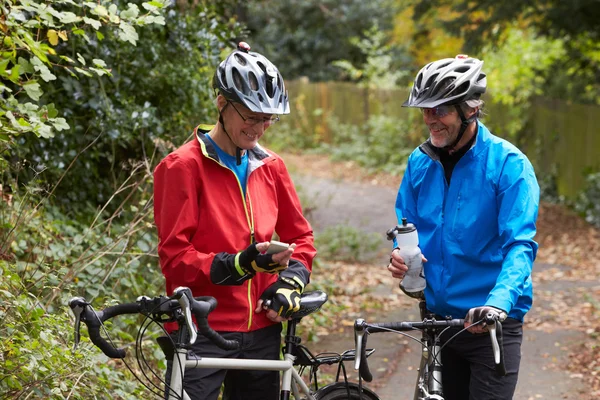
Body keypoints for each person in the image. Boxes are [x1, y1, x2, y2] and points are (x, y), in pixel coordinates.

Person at [153, 42, 316, 400]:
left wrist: (291, 280)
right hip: (201, 332)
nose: (259, 128)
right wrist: (240, 263)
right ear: (222, 103)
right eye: (251, 116)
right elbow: (175, 259)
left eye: (267, 118)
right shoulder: (181, 167)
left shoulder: (271, 166)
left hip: (261, 332)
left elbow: (301, 237)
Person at [387, 55, 539, 399]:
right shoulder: (419, 161)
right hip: (439, 323)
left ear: (469, 109)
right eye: (425, 110)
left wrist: (498, 304)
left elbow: (520, 245)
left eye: (439, 110)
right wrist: (399, 254)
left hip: (490, 324)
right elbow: (406, 226)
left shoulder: (508, 165)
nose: (430, 120)